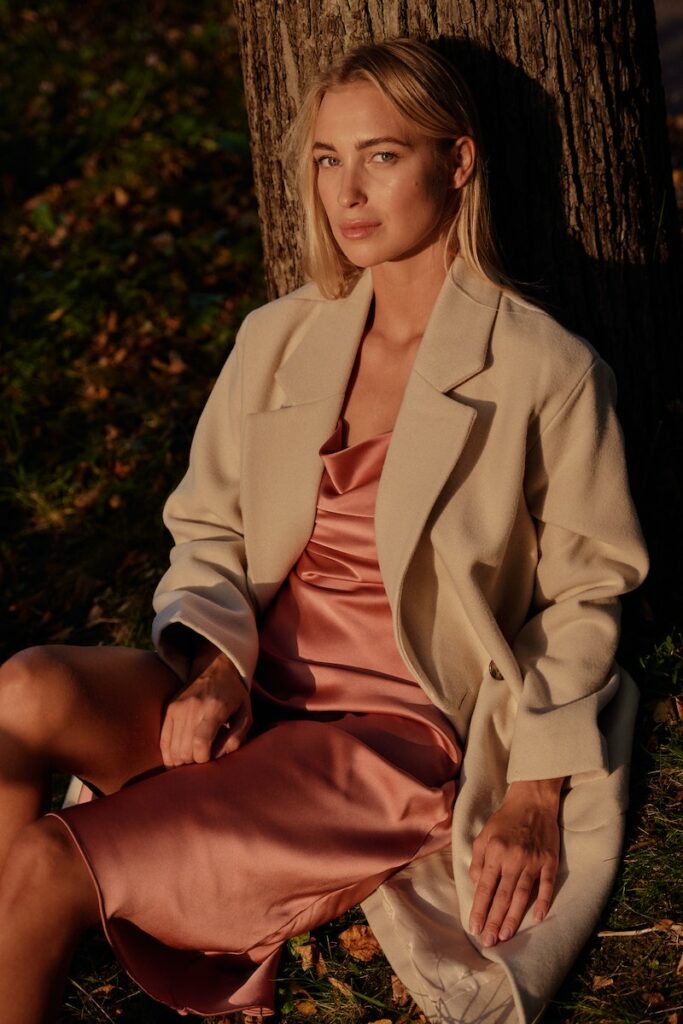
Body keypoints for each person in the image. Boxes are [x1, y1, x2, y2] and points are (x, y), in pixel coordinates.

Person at [0, 37, 648, 1024]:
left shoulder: (542, 369)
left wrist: (534, 790)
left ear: (457, 162)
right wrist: (217, 663)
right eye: (325, 158)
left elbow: (583, 589)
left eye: (380, 155)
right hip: (251, 690)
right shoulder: (280, 337)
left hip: (383, 740)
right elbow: (207, 526)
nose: (345, 191)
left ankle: (35, 914)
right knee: (23, 690)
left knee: (48, 859)